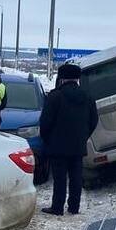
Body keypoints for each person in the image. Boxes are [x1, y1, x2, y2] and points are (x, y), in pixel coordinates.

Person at [39, 62, 99, 215]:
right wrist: (83, 136)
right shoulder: (87, 97)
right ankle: (74, 207)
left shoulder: (55, 96)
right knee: (76, 177)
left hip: (57, 145)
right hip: (78, 144)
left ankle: (57, 207)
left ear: (61, 78)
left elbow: (45, 122)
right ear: (77, 79)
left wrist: (47, 139)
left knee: (59, 178)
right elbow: (94, 120)